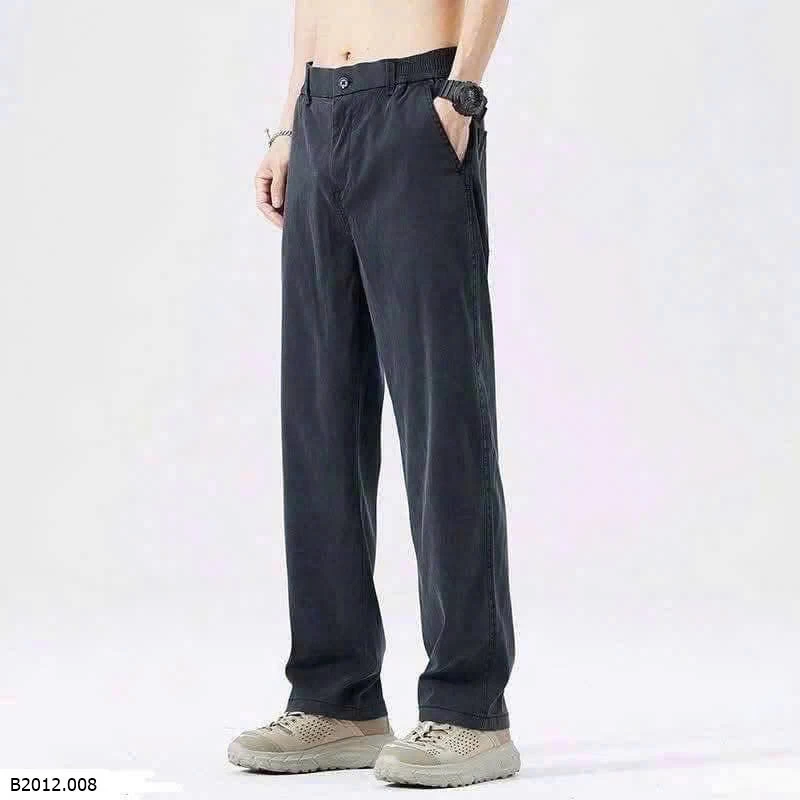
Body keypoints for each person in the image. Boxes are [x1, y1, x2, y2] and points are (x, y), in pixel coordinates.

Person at [228, 0, 518, 787]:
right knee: (318, 417)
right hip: (321, 114)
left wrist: (460, 94)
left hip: (417, 103)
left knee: (442, 415)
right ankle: (337, 697)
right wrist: (288, 127)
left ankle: (469, 708)